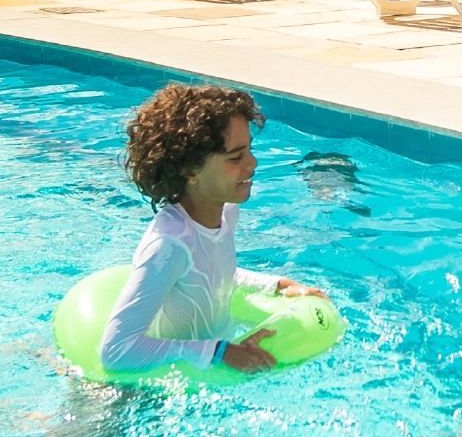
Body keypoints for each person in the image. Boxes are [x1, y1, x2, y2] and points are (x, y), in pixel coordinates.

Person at [100, 84, 329, 375]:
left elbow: (214, 275)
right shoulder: (168, 245)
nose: (252, 163)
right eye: (235, 157)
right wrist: (218, 351)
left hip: (205, 368)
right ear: (190, 170)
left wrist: (276, 285)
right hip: (141, 391)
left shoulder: (225, 210)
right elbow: (116, 350)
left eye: (249, 151)